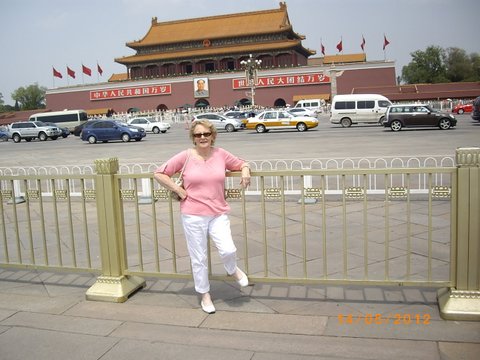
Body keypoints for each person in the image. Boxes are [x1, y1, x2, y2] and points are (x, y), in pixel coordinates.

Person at [153, 119, 251, 314]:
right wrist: (178, 190)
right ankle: (205, 295)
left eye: (206, 134)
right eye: (198, 135)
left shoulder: (220, 154)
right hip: (192, 214)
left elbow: (241, 163)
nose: (203, 137)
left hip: (217, 212)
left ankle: (232, 269)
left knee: (228, 249)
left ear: (213, 135)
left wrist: (246, 171)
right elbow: (159, 173)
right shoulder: (185, 156)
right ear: (193, 138)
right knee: (199, 258)